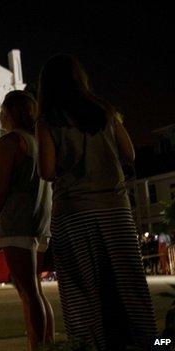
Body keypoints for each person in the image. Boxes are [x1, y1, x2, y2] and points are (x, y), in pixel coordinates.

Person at [35, 54, 157, 350]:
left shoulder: (49, 120)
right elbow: (129, 153)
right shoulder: (104, 111)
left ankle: (90, 345)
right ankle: (152, 344)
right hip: (116, 211)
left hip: (75, 214)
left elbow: (47, 171)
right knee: (130, 286)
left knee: (82, 293)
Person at [0, 90, 54, 350]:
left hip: (17, 222)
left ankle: (37, 345)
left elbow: (2, 187)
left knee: (27, 293)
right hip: (42, 221)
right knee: (35, 290)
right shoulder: (40, 141)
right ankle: (47, 343)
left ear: (9, 113)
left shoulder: (10, 142)